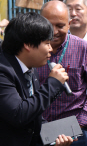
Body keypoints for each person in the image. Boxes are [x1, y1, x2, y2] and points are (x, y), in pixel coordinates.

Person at [38, 0, 87, 146]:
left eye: (60, 26)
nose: (54, 31)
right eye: (49, 25)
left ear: (69, 24)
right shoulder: (31, 49)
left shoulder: (83, 48)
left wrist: (81, 121)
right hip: (39, 131)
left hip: (75, 132)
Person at [0, 12, 73, 146]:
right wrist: (53, 84)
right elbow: (18, 114)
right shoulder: (3, 71)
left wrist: (54, 139)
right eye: (46, 43)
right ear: (27, 44)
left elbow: (33, 114)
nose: (50, 49)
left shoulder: (30, 69)